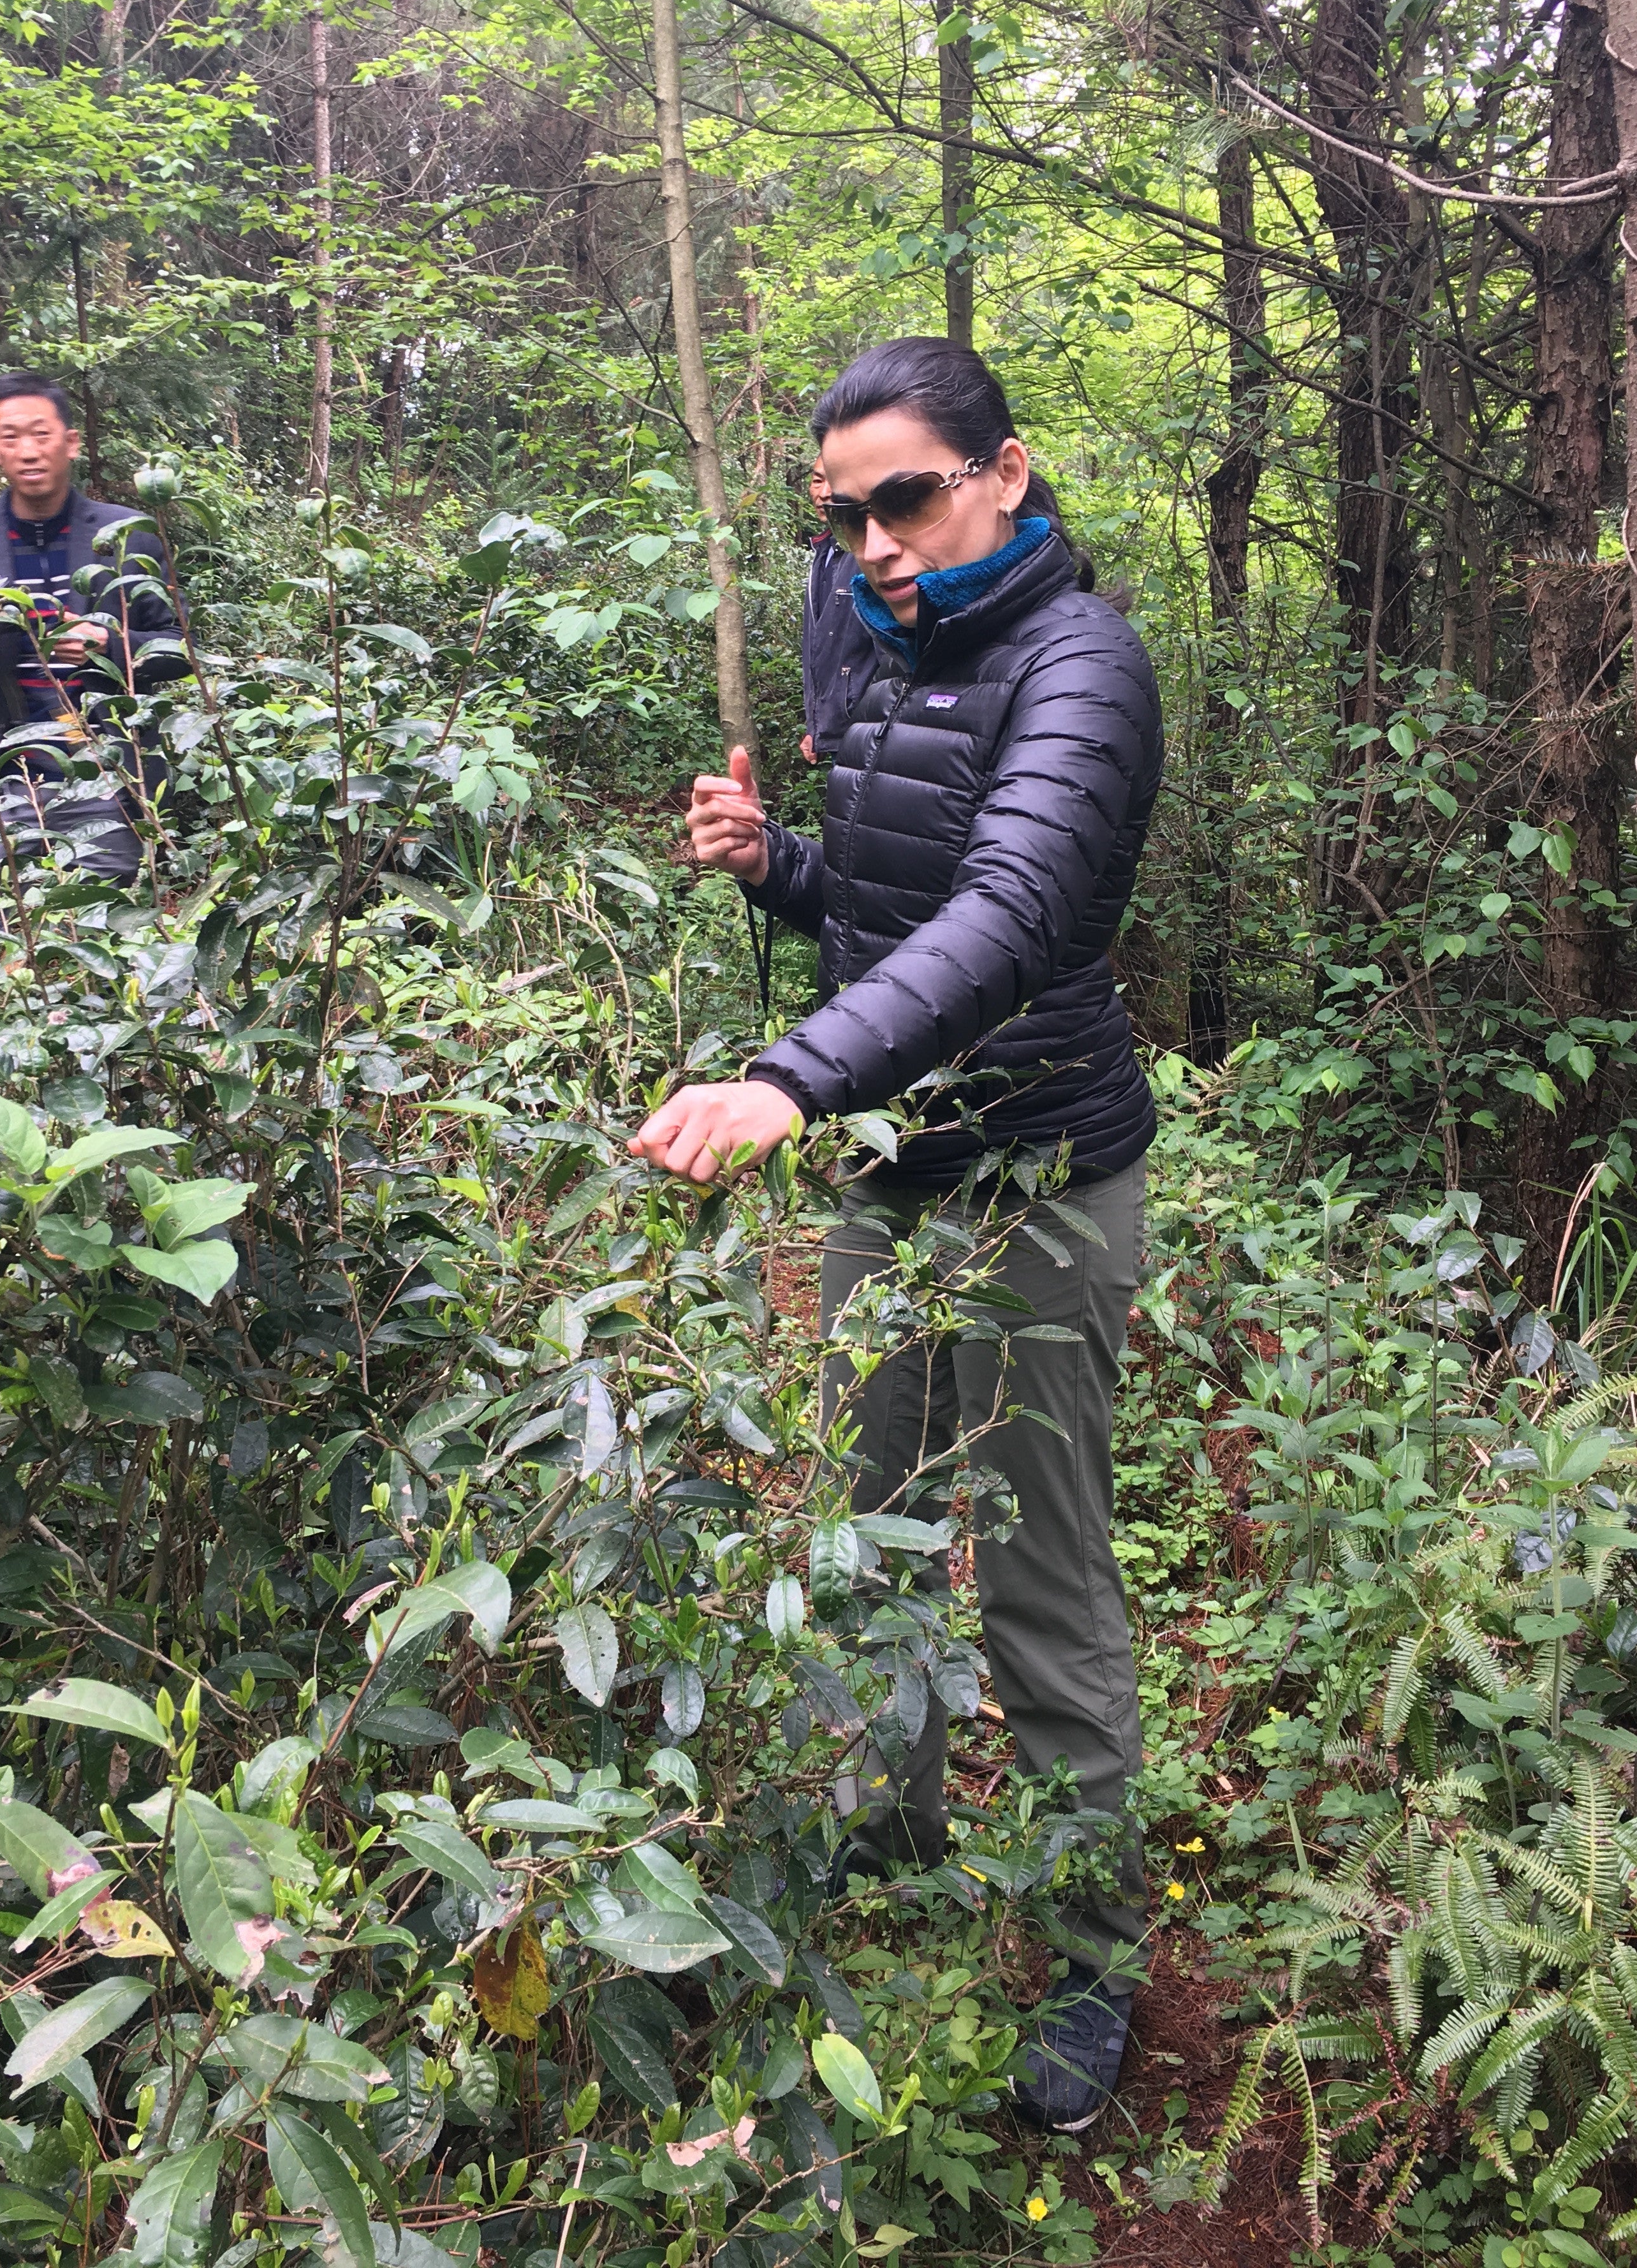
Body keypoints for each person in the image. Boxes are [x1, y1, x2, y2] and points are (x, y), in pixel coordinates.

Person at [629, 337, 1163, 2134]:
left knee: (1038, 1583)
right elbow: (880, 897)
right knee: (869, 1537)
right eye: (845, 512)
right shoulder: (863, 634)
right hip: (885, 1172)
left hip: (1035, 1186)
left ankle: (1095, 1957)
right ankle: (895, 1830)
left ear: (1008, 471)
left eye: (907, 497)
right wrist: (769, 860)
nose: (872, 540)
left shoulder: (1085, 666)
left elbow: (1013, 911)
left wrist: (790, 1077)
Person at [0, 374, 189, 982]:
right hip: (0, 785)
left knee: (98, 953)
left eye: (41, 434)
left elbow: (179, 651)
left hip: (106, 777)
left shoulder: (126, 534)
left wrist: (109, 643)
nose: (28, 450)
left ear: (71, 443)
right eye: (12, 437)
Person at [798, 458, 878, 765]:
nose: (825, 493)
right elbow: (820, 649)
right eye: (818, 481)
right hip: (840, 734)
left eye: (835, 481)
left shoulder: (873, 551)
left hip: (873, 730)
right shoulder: (825, 551)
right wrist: (816, 727)